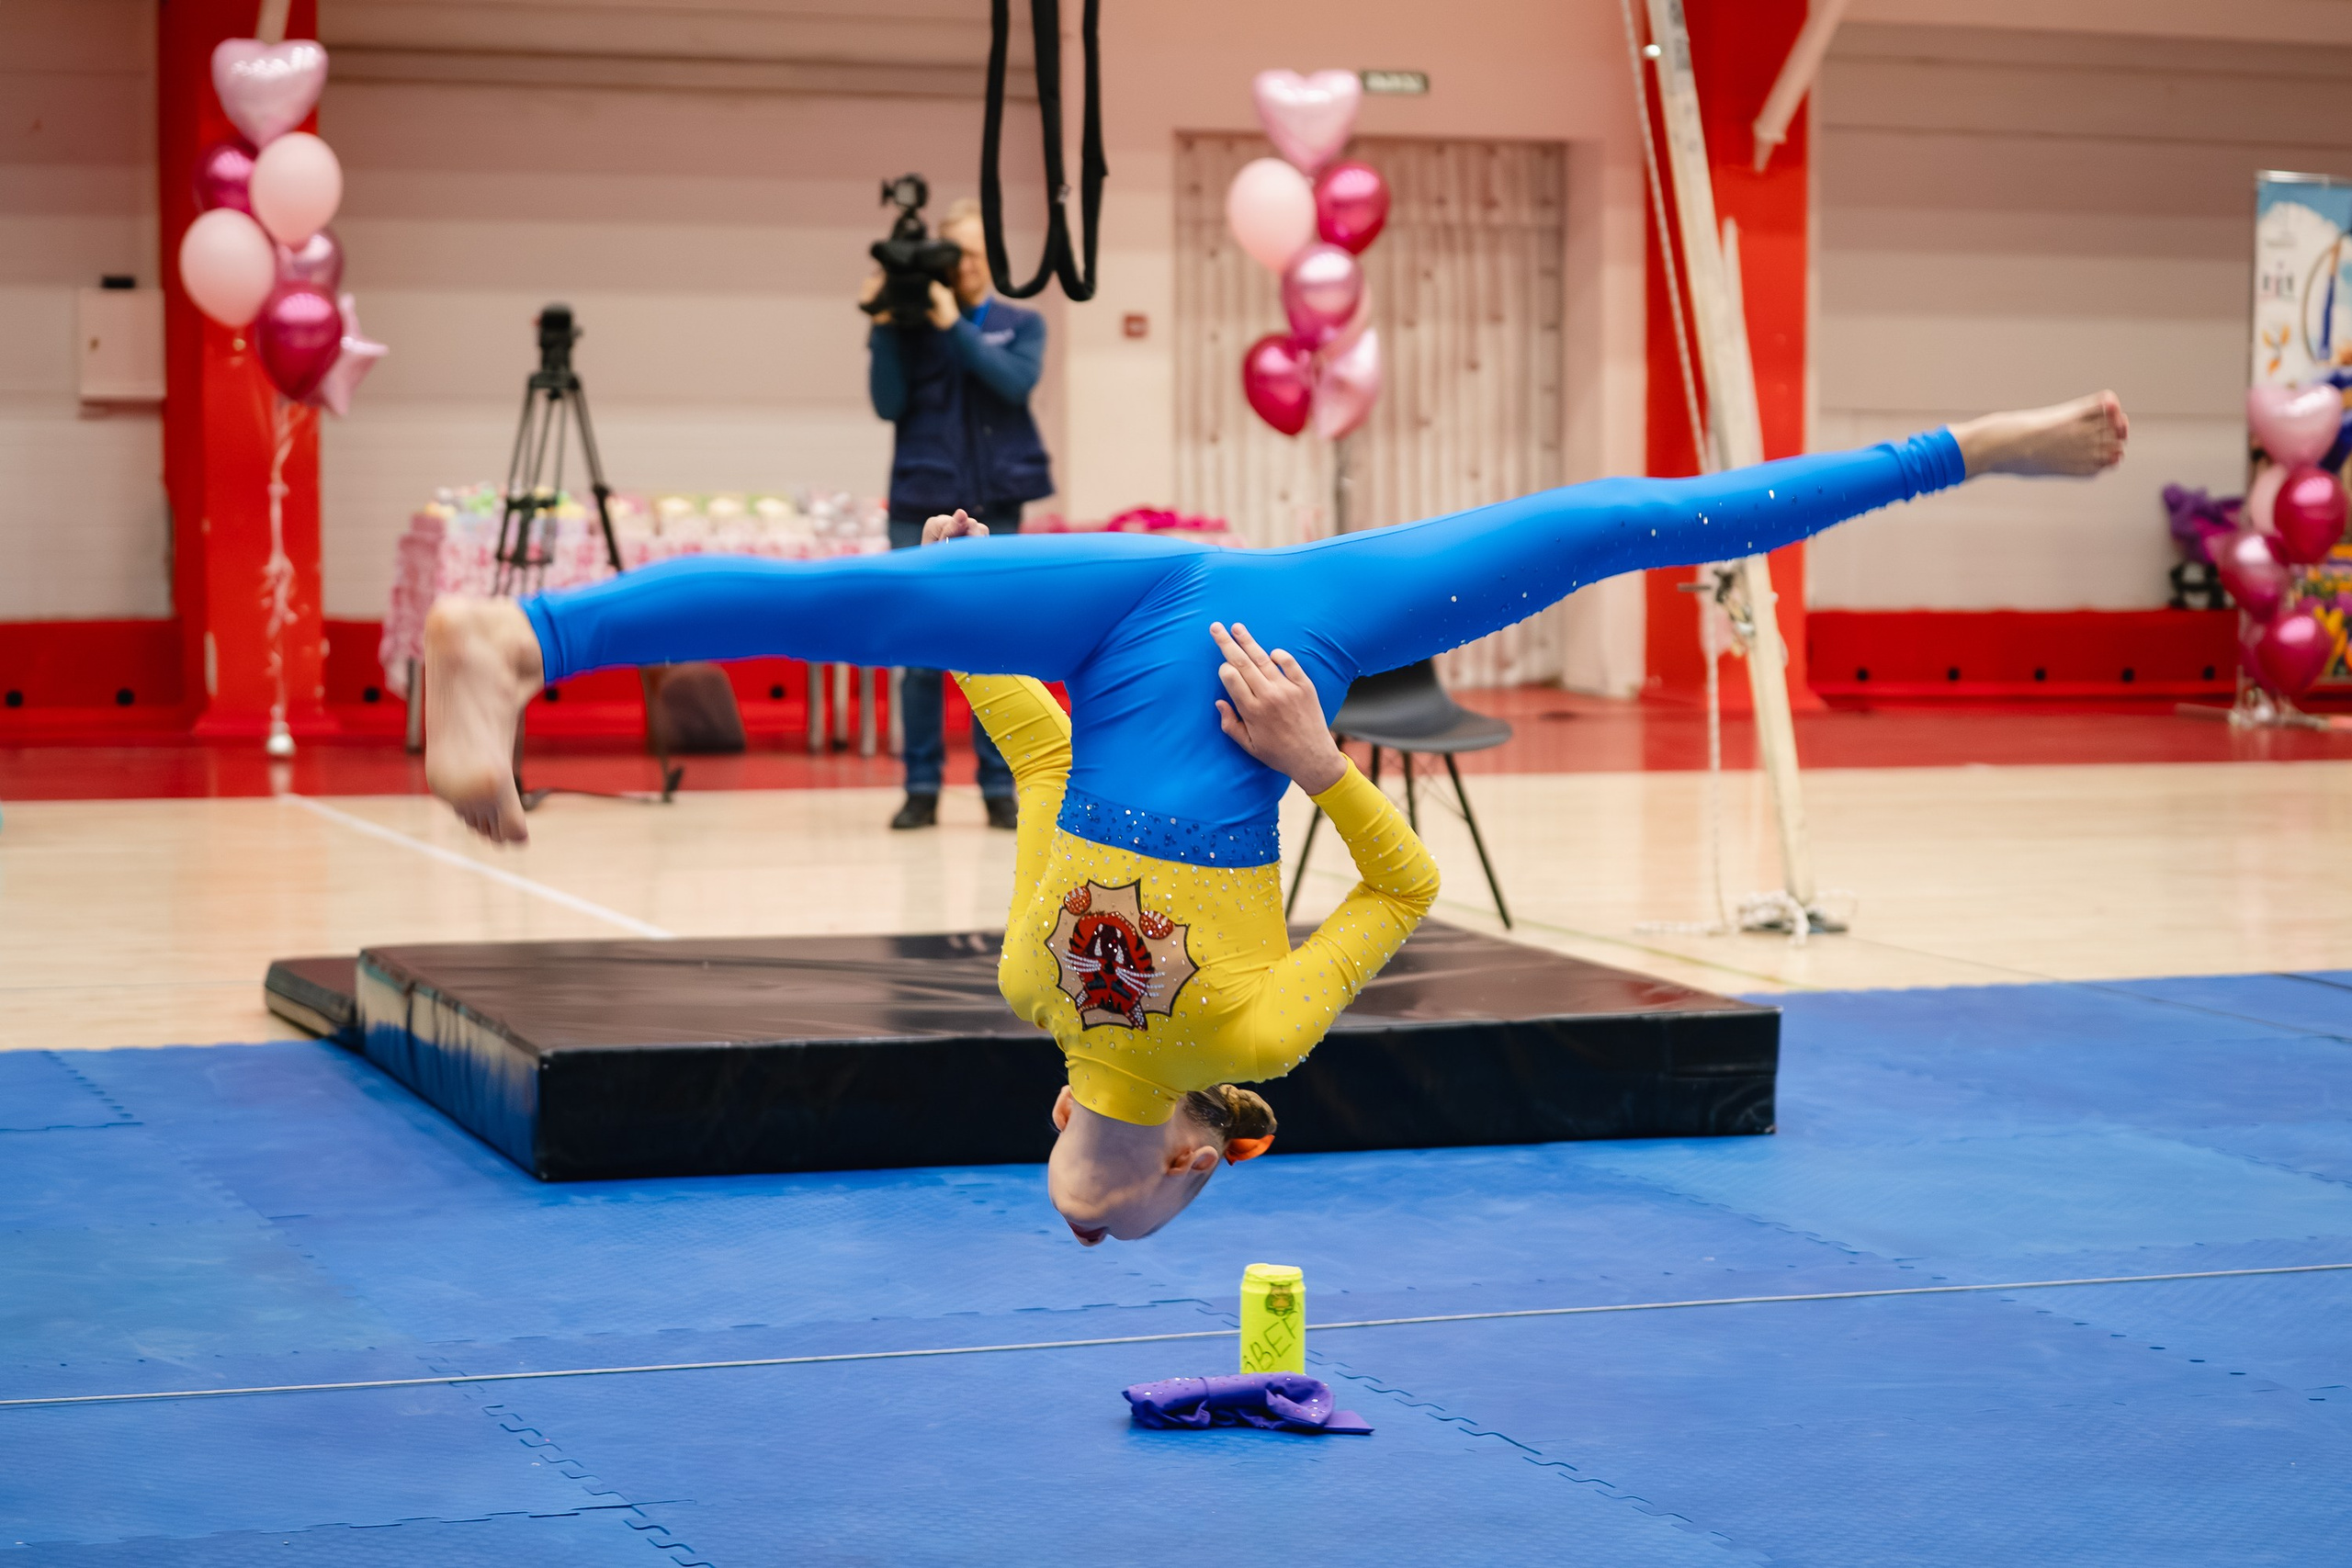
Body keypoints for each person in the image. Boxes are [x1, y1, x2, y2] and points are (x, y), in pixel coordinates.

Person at [424, 393, 2129, 1245]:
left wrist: (1316, 757)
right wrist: (971, 631)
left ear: (1181, 1147)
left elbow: (1402, 884)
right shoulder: (1029, 988)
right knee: (855, 602)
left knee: (1632, 523)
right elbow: (1038, 775)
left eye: (1178, 1195)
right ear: (1053, 1110)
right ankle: (531, 633)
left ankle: (1970, 449)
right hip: (1112, 632)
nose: (1195, 1187)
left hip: (1255, 654)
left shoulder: (1257, 1036)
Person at [859, 197, 1052, 832]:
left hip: (997, 499)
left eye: (974, 252)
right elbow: (887, 404)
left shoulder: (1020, 324)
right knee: (917, 650)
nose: (965, 264)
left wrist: (954, 328)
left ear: (990, 257)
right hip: (919, 498)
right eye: (955, 253)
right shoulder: (908, 328)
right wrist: (886, 323)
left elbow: (1014, 385)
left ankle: (998, 784)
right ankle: (920, 785)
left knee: (994, 644)